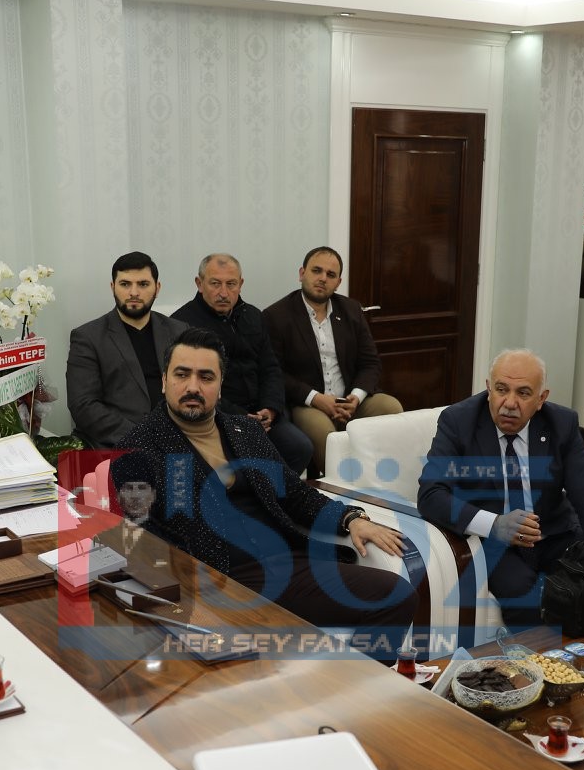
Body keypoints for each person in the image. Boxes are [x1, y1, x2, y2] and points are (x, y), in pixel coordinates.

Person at [110, 329, 417, 657]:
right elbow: (143, 540)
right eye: (182, 375)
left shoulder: (245, 430)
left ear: (220, 385)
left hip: (286, 566)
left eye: (206, 377)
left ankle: (362, 682)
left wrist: (350, 519)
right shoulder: (138, 449)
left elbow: (295, 493)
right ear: (164, 381)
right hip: (218, 583)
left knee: (396, 594)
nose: (193, 387)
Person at [417, 350, 584, 626]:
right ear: (488, 389)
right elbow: (431, 494)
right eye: (501, 390)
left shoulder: (561, 424)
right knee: (524, 597)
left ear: (541, 399)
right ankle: (535, 654)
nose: (509, 403)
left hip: (552, 533)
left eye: (523, 393)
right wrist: (495, 524)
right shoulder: (458, 421)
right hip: (493, 541)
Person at [260, 246, 403, 476]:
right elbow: (275, 373)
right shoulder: (276, 316)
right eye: (316, 271)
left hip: (348, 399)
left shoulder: (351, 310)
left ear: (338, 282)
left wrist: (355, 398)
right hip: (307, 402)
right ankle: (341, 486)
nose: (322, 278)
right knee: (325, 434)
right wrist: (317, 398)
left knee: (391, 408)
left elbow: (370, 362)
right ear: (302, 273)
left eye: (330, 274)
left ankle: (380, 477)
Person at [171, 252, 313, 476]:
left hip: (263, 415)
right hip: (218, 417)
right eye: (215, 284)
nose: (223, 293)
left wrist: (270, 409)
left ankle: (272, 495)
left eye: (231, 284)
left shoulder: (254, 316)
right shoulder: (183, 324)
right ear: (199, 283)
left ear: (241, 284)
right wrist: (240, 418)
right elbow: (196, 386)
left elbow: (271, 368)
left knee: (300, 448)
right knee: (247, 457)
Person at [66, 252, 190, 448]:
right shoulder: (88, 337)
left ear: (157, 288)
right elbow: (83, 405)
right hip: (117, 446)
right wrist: (142, 438)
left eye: (143, 284)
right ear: (112, 287)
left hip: (178, 439)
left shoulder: (179, 331)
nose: (134, 292)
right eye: (125, 284)